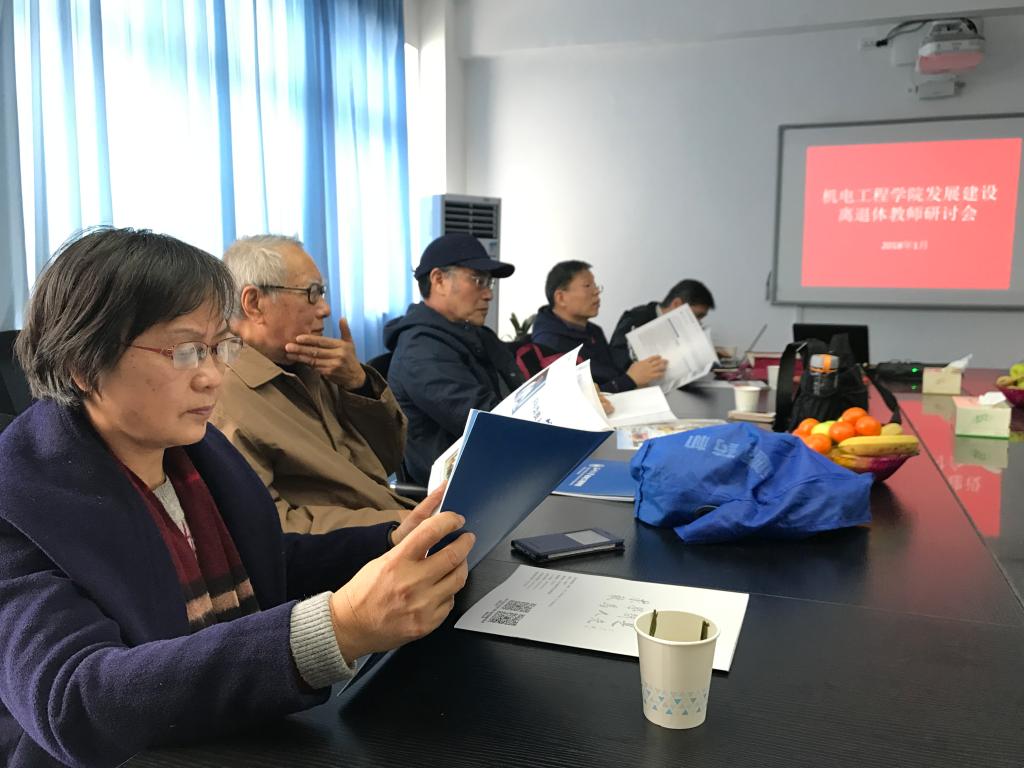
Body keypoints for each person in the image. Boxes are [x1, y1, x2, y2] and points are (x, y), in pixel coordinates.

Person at [0, 228, 474, 767]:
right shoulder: (18, 503)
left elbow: (263, 564)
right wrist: (335, 629)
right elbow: (76, 702)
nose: (212, 377)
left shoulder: (196, 455)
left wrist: (389, 541)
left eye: (220, 347)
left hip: (237, 729)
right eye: (185, 351)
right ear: (83, 365)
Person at [213, 235, 414, 533]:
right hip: (363, 550)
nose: (325, 309)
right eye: (312, 293)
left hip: (396, 528)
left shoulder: (314, 366)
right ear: (254, 303)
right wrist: (393, 525)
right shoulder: (222, 395)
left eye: (322, 292)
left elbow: (388, 461)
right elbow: (270, 527)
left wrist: (358, 385)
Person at [385, 233, 524, 485]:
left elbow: (520, 392)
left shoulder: (476, 334)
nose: (488, 294)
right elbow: (487, 423)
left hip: (501, 464)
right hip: (465, 487)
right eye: (478, 280)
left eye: (489, 283)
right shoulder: (421, 350)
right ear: (439, 280)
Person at [530, 261, 666, 393]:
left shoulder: (593, 330)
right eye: (587, 286)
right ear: (561, 298)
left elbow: (613, 373)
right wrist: (629, 380)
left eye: (595, 286)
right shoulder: (548, 345)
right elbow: (573, 399)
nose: (596, 292)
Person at [608, 279, 716, 371]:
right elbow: (617, 361)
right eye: (697, 316)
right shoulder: (636, 319)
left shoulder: (680, 329)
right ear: (677, 304)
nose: (698, 323)